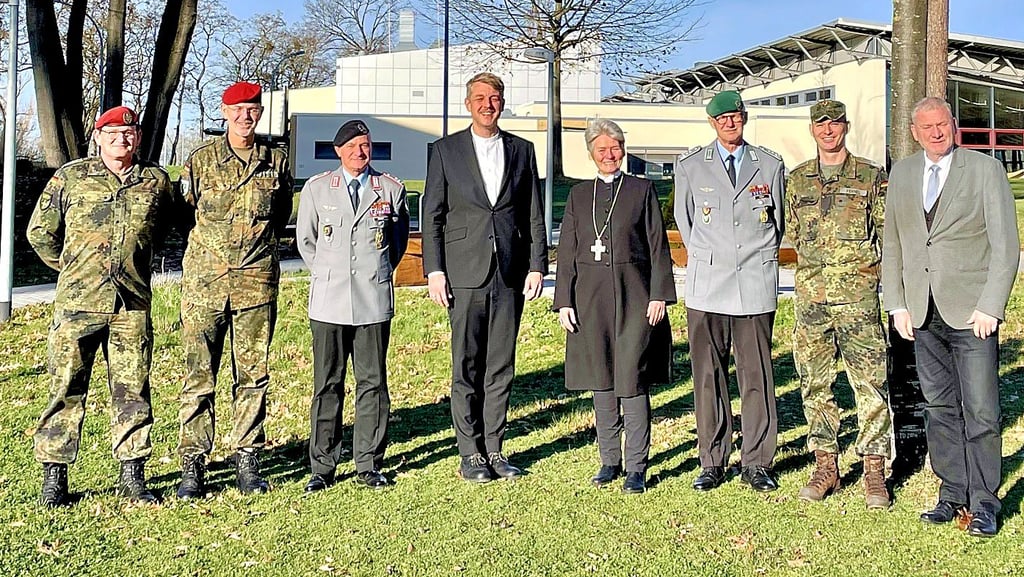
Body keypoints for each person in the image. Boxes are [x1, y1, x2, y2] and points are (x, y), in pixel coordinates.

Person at [882, 97, 1018, 537]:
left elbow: (1006, 247)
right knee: (939, 407)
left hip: (971, 313)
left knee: (980, 410)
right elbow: (896, 244)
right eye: (928, 127)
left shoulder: (984, 170)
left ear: (953, 125)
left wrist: (991, 305)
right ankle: (952, 492)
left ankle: (984, 502)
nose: (937, 132)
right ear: (914, 131)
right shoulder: (902, 174)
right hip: (923, 313)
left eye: (943, 124)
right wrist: (897, 303)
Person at [27, 106, 176, 507]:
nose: (121, 140)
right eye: (112, 134)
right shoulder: (72, 177)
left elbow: (161, 230)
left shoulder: (155, 181)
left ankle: (132, 474)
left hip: (131, 306)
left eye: (128, 134)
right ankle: (55, 477)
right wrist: (70, 268)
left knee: (133, 390)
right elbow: (40, 232)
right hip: (78, 303)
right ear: (98, 137)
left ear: (138, 138)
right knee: (66, 388)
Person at [422, 72, 548, 482]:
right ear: (467, 103)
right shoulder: (445, 151)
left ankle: (495, 448)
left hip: (509, 271)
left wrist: (536, 264)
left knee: (501, 363)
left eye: (494, 98)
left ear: (502, 103)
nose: (487, 105)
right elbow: (433, 214)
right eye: (480, 98)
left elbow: (533, 212)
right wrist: (434, 269)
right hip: (463, 272)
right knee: (467, 363)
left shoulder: (522, 150)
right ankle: (470, 451)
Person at [176, 81, 293, 498]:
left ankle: (247, 456)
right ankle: (194, 461)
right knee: (198, 375)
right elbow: (183, 214)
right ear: (225, 112)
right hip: (205, 285)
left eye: (253, 109)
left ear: (260, 113)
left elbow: (279, 218)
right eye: (239, 109)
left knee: (253, 375)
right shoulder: (201, 161)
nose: (247, 116)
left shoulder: (275, 162)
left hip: (255, 284)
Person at [553, 119, 675, 494]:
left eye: (615, 147)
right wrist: (563, 301)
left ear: (623, 149)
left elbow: (657, 245)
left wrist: (659, 294)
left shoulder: (641, 190)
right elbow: (568, 251)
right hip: (590, 301)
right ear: (591, 153)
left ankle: (637, 466)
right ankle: (609, 460)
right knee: (601, 380)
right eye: (601, 149)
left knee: (632, 381)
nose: (609, 155)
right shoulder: (578, 195)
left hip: (635, 296)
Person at [673, 90, 786, 493]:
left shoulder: (769, 165)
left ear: (744, 118)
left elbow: (779, 223)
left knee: (756, 375)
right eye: (722, 120)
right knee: (708, 377)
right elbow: (685, 221)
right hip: (709, 286)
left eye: (735, 117)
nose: (730, 124)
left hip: (753, 283)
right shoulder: (690, 167)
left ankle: (757, 461)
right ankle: (713, 460)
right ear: (712, 124)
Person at [785, 100, 892, 509]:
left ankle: (873, 470)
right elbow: (794, 234)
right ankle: (826, 464)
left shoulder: (869, 176)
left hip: (858, 301)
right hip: (813, 299)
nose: (828, 131)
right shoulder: (798, 180)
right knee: (814, 382)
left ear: (845, 127)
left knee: (870, 384)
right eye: (821, 125)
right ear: (812, 130)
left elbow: (885, 234)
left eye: (835, 124)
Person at [296, 120, 410, 493]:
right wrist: (332, 274)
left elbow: (396, 245)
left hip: (371, 300)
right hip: (329, 301)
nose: (361, 153)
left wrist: (370, 275)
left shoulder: (390, 190)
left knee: (373, 383)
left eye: (366, 146)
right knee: (327, 384)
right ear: (338, 151)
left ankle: (368, 462)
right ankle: (322, 465)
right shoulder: (317, 189)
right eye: (353, 147)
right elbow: (307, 242)